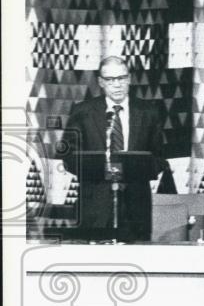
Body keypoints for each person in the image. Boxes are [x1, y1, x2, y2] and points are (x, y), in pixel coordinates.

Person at [58, 56, 168, 241]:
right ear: (101, 82)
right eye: (110, 80)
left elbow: (159, 156)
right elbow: (68, 156)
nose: (116, 84)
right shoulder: (82, 111)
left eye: (121, 78)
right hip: (94, 204)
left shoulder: (149, 111)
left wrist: (137, 168)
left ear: (129, 79)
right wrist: (99, 168)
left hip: (136, 205)